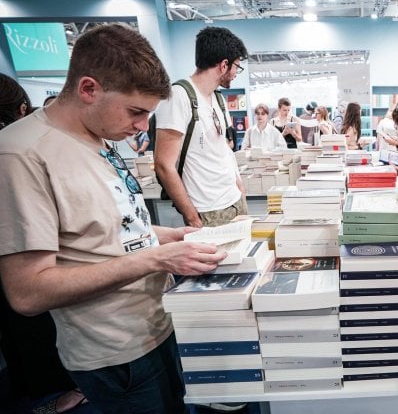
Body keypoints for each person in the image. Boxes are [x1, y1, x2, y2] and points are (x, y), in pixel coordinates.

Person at [0, 24, 228, 414]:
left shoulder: (97, 135)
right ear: (88, 89)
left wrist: (168, 236)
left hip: (157, 323)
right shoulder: (22, 155)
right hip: (115, 352)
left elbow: (108, 228)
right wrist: (154, 259)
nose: (142, 127)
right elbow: (27, 292)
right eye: (136, 112)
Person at [0, 74, 91, 414]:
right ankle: (58, 387)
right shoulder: (19, 151)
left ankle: (46, 387)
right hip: (34, 263)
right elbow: (29, 294)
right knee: (35, 325)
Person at [155, 26, 248, 228]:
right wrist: (191, 216)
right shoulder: (179, 96)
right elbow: (163, 165)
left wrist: (240, 188)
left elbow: (224, 148)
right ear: (224, 65)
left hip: (234, 200)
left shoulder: (218, 98)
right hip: (207, 209)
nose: (235, 74)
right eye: (236, 67)